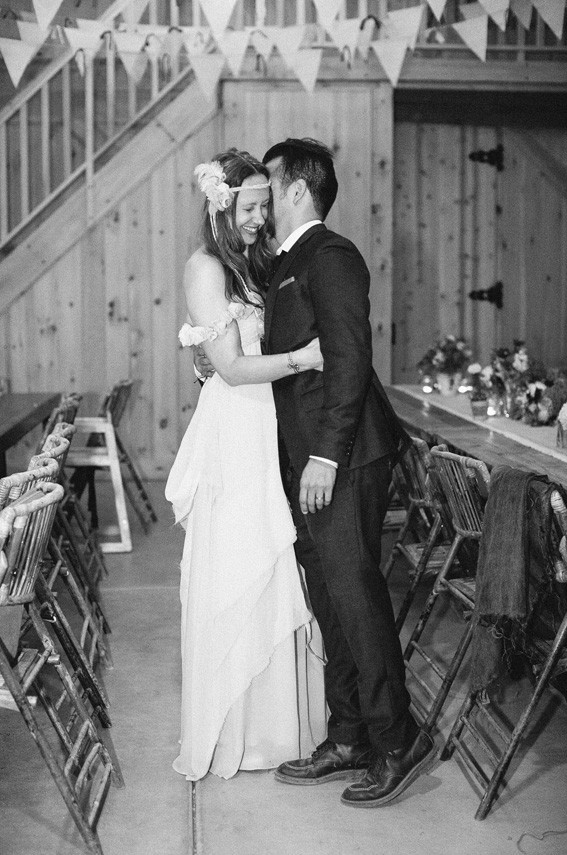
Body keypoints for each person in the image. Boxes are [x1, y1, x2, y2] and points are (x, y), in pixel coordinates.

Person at [260, 138, 437, 807]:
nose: (263, 197)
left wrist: (326, 456)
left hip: (344, 456)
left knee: (357, 597)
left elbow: (349, 357)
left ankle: (398, 737)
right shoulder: (288, 260)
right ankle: (351, 734)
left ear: (297, 189)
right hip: (309, 458)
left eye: (270, 185)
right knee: (332, 601)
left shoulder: (329, 255)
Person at [165, 148, 326, 782]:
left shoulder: (253, 263)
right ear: (220, 208)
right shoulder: (204, 268)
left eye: (265, 205)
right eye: (251, 208)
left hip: (267, 424)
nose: (262, 218)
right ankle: (239, 732)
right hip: (236, 428)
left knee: (275, 561)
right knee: (241, 562)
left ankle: (278, 728)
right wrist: (306, 358)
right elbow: (229, 368)